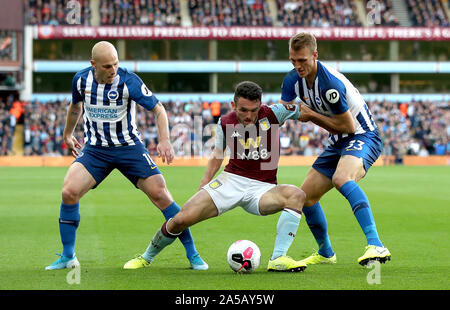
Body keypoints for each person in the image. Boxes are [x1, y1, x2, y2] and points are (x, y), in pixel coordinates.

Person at [45, 41, 207, 271]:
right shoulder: (81, 80)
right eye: (107, 66)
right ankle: (68, 256)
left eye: (116, 64)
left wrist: (165, 140)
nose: (113, 70)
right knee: (68, 192)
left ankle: (193, 254)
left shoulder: (129, 80)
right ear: (93, 65)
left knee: (161, 194)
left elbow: (159, 110)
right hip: (95, 150)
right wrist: (67, 133)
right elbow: (75, 107)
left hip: (129, 147)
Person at [124, 81, 308, 272]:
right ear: (233, 105)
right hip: (231, 180)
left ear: (260, 105)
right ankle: (146, 257)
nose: (249, 116)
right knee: (181, 219)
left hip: (263, 189)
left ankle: (278, 259)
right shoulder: (225, 122)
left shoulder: (274, 113)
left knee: (296, 195)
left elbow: (305, 111)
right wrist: (204, 184)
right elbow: (218, 154)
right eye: (243, 110)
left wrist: (336, 122)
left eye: (254, 110)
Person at [280, 32, 391, 266]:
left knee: (342, 178)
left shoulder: (329, 84)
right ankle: (326, 253)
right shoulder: (291, 80)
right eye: (293, 61)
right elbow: (284, 110)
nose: (297, 66)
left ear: (315, 55)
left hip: (362, 134)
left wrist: (311, 116)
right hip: (338, 140)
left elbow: (348, 126)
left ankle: (376, 245)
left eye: (302, 60)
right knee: (305, 197)